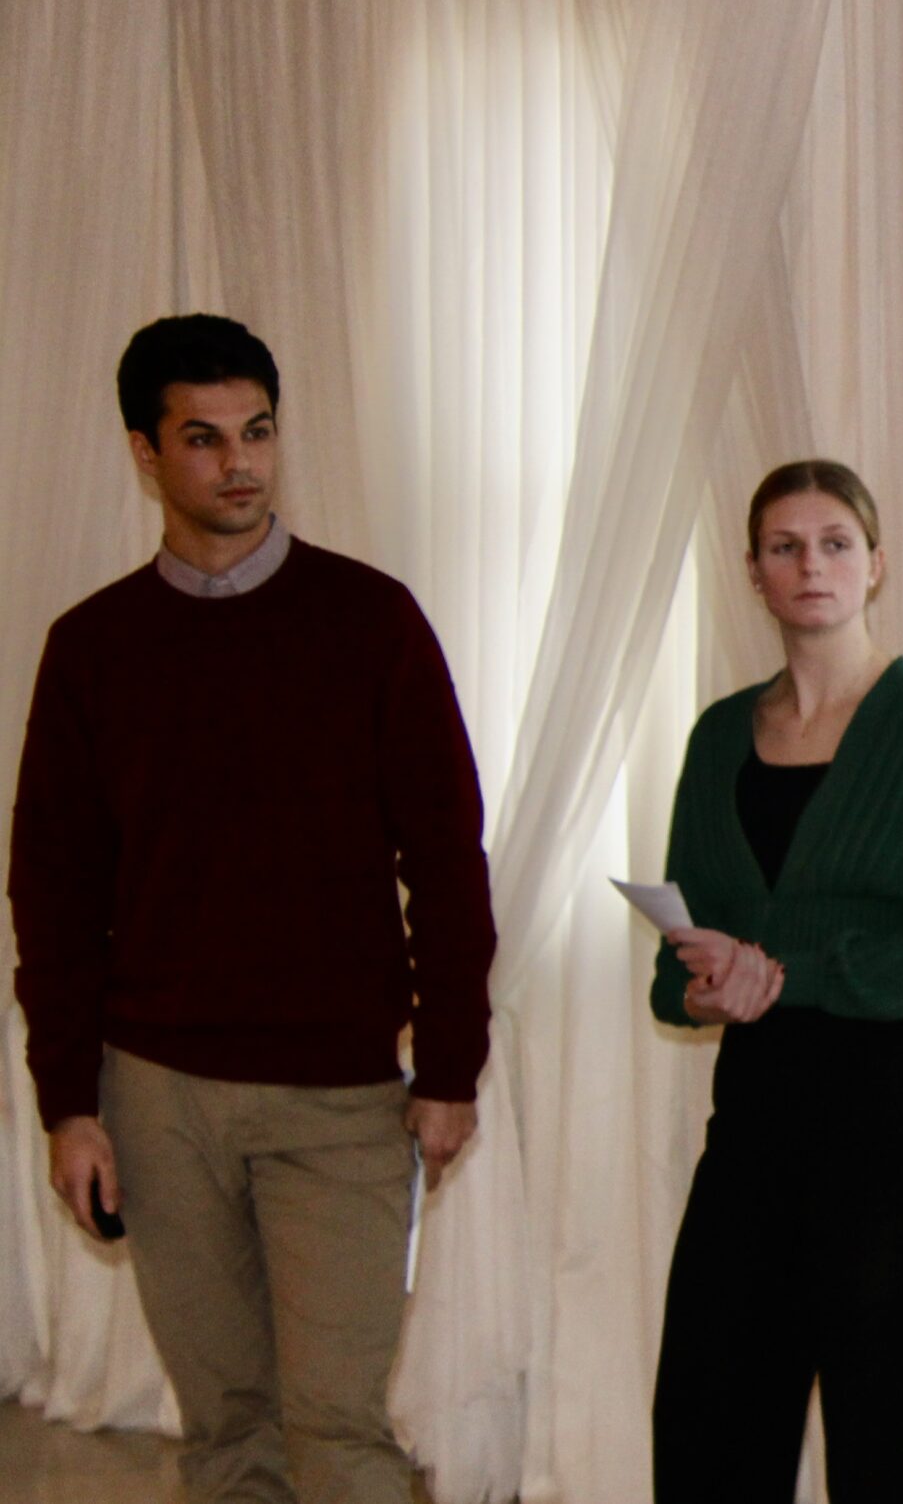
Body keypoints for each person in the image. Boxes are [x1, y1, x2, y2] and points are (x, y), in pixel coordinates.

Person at [9, 313, 496, 1503]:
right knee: (226, 1430)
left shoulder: (371, 622)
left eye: (258, 431)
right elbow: (52, 890)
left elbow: (445, 858)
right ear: (145, 450)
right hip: (156, 1095)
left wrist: (448, 1067)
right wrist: (70, 1100)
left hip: (339, 1099)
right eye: (204, 436)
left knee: (335, 1427)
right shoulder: (92, 648)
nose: (239, 461)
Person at [649, 459, 903, 1504]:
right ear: (753, 571)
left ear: (875, 564)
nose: (812, 564)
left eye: (835, 542)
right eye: (785, 545)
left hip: (880, 1128)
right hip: (751, 1122)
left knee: (877, 1446)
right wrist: (703, 990)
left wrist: (785, 973)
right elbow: (679, 966)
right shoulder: (717, 736)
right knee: (707, 1430)